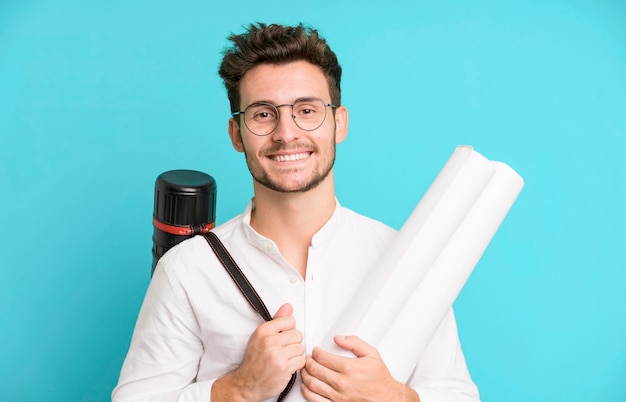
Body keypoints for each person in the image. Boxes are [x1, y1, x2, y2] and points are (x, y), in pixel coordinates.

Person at [113, 22, 480, 402]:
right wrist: (236, 389)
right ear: (236, 133)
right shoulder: (188, 270)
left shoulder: (404, 256)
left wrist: (396, 398)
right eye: (263, 114)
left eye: (306, 110)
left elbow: (458, 394)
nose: (286, 133)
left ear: (339, 123)